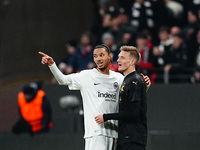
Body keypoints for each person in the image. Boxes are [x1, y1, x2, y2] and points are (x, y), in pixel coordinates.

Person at [38, 44, 151, 150]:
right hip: (96, 133)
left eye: (101, 55)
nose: (98, 59)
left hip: (115, 134)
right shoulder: (87, 76)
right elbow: (63, 80)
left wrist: (144, 86)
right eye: (95, 56)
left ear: (109, 57)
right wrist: (52, 65)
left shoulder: (119, 78)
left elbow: (130, 96)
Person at [95, 45, 148, 150]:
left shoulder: (135, 81)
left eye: (122, 58)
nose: (118, 60)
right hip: (125, 137)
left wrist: (106, 117)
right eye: (118, 57)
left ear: (132, 62)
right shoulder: (127, 80)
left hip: (133, 138)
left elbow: (133, 112)